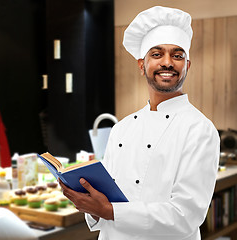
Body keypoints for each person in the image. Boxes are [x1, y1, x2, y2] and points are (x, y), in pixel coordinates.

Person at [59, 6, 220, 240]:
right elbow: (105, 200)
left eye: (177, 55)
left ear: (187, 65)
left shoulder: (200, 129)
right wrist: (90, 206)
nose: (168, 62)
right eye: (157, 54)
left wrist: (109, 211)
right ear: (141, 65)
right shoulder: (122, 128)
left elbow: (186, 217)